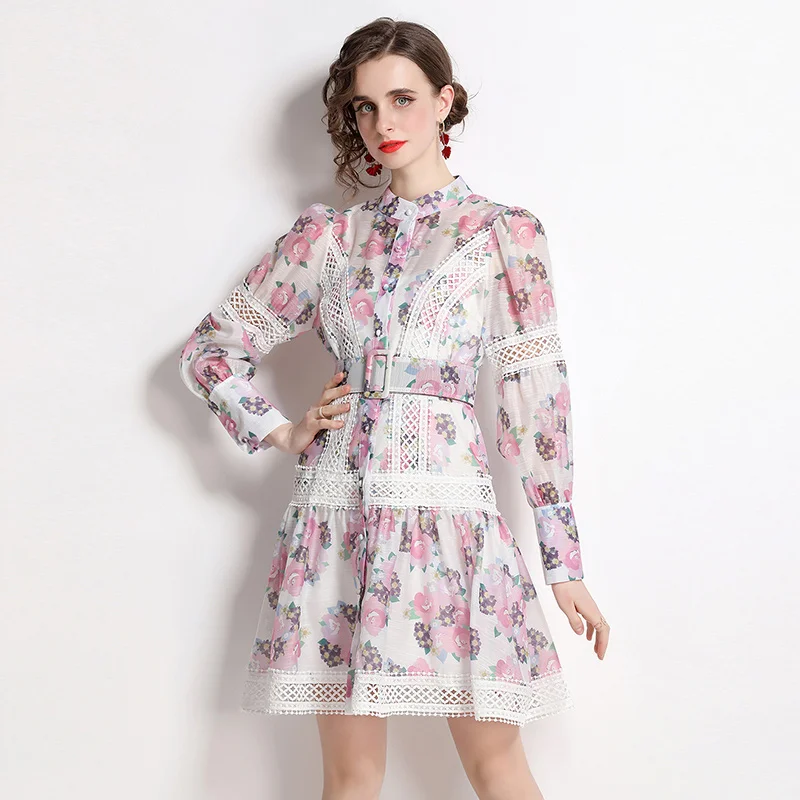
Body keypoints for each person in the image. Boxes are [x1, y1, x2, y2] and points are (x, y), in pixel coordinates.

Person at [178, 16, 610, 800]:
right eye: (366, 107)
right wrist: (280, 429)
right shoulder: (326, 240)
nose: (384, 123)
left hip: (450, 522)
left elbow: (537, 402)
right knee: (349, 778)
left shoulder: (504, 237)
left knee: (496, 766)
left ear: (445, 102)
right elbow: (211, 350)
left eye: (403, 98)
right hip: (337, 521)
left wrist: (563, 561)